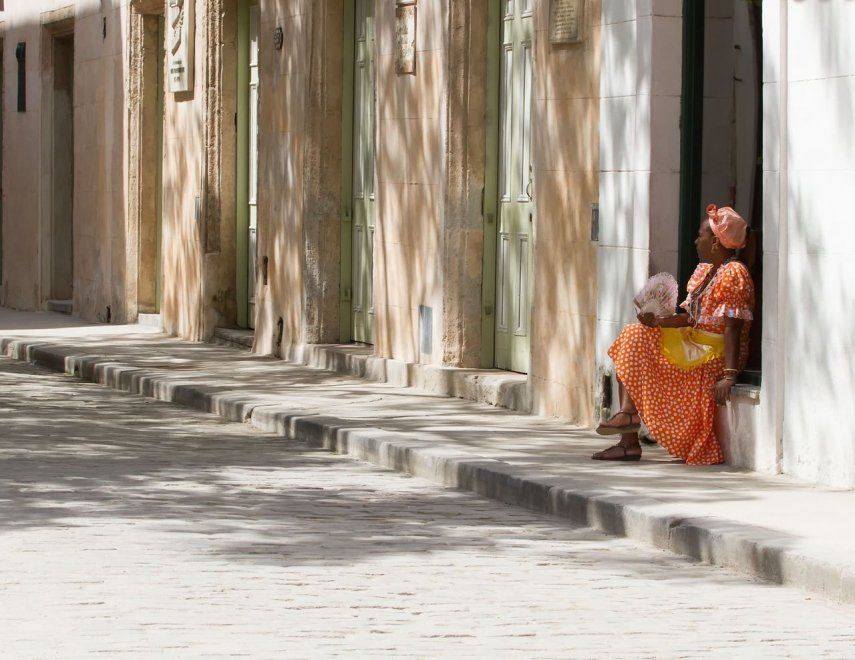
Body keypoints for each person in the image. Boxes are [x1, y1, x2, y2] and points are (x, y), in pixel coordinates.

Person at [592, 204, 755, 464]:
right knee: (634, 336)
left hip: (713, 355)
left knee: (639, 348)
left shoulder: (734, 273)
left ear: (715, 241)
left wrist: (729, 376)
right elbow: (689, 318)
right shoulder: (705, 271)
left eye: (700, 235)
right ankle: (628, 423)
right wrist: (657, 322)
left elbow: (733, 328)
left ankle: (628, 433)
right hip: (693, 343)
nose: (695, 241)